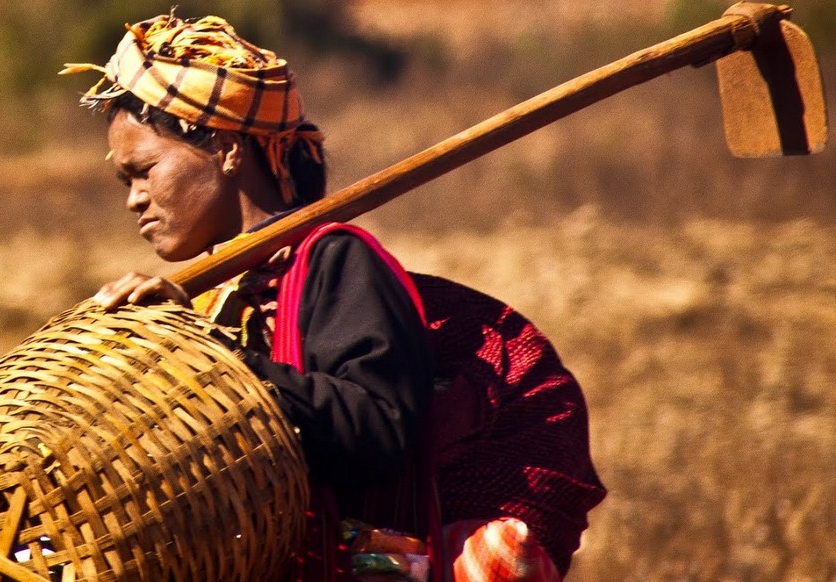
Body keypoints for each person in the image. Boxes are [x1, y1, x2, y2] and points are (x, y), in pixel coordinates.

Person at [62, 12, 605, 581]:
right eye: (126, 183)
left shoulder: (337, 262)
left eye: (144, 171)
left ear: (224, 147)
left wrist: (217, 366)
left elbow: (377, 426)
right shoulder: (222, 293)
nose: (134, 199)